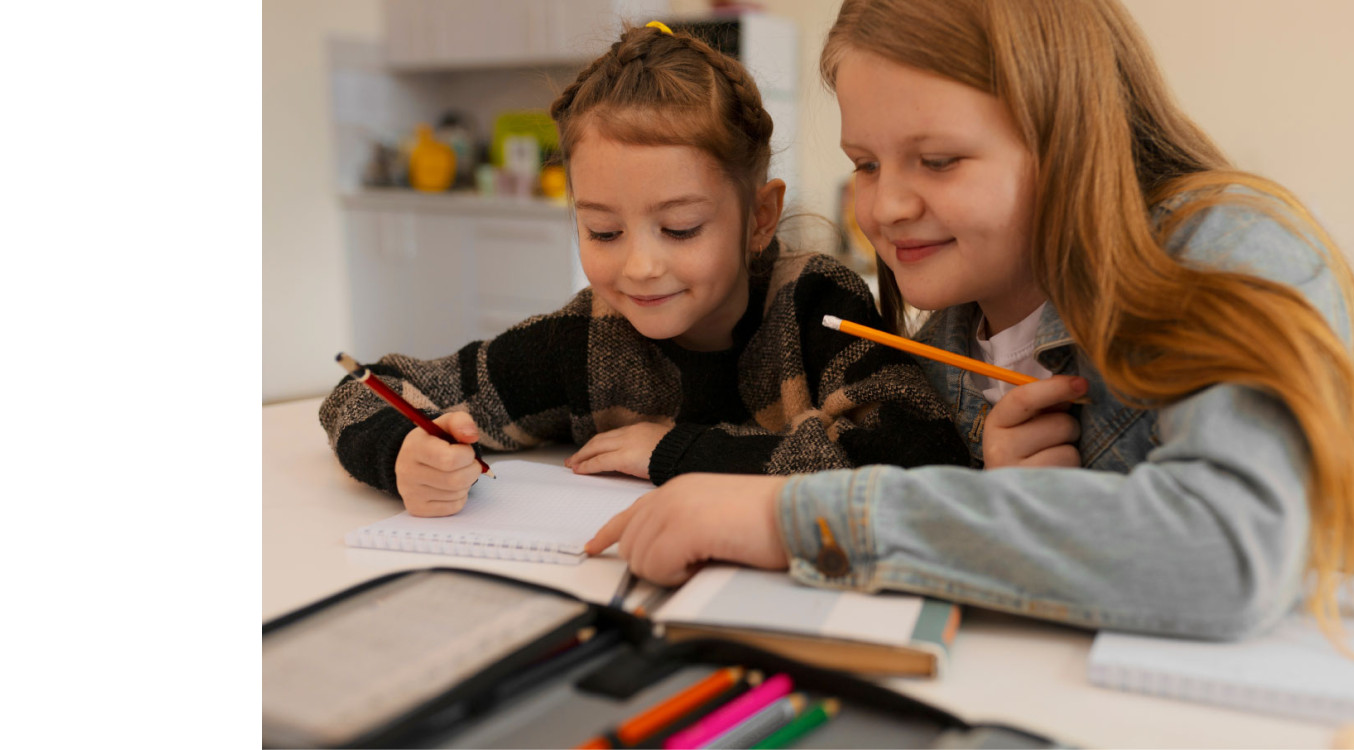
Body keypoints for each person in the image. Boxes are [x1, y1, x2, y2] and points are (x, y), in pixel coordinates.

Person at [588, 0, 1354, 641]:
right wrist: (996, 495)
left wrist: (789, 521)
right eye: (865, 164)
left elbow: (1226, 552)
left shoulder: (1225, 247)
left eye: (939, 161)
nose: (885, 207)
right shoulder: (942, 345)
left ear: (1067, 137)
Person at [320, 22, 969, 518]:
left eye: (681, 228)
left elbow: (919, 461)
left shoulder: (816, 303)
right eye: (603, 231)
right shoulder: (583, 340)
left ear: (759, 218)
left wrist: (675, 451)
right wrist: (403, 453)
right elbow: (366, 389)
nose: (639, 267)